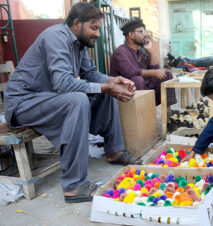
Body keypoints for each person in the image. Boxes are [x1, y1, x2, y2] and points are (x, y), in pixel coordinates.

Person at [4, 2, 142, 203]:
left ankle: (115, 151)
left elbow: (91, 74)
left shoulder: (78, 43)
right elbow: (63, 84)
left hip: (47, 98)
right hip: (23, 103)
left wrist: (113, 81)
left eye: (99, 29)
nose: (97, 34)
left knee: (105, 90)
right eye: (93, 28)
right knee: (77, 99)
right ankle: (74, 186)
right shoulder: (55, 37)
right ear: (77, 23)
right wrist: (106, 86)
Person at [110, 18, 176, 106]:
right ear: (131, 35)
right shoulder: (120, 52)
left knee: (166, 75)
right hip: (125, 94)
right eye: (141, 32)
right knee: (137, 80)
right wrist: (154, 72)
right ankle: (142, 113)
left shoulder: (140, 52)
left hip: (142, 89)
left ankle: (169, 112)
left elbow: (154, 69)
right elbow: (130, 71)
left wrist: (150, 50)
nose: (145, 35)